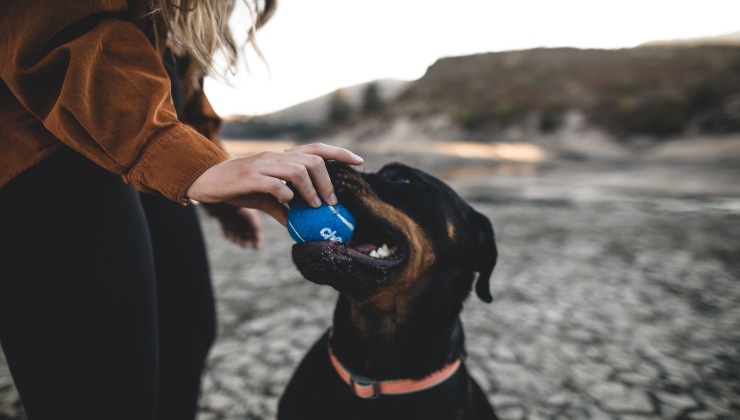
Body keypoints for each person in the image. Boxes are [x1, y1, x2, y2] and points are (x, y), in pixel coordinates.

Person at [0, 1, 363, 419]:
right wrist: (181, 159)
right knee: (105, 384)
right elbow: (54, 24)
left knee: (185, 334)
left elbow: (176, 75)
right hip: (40, 139)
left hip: (131, 126)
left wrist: (218, 175)